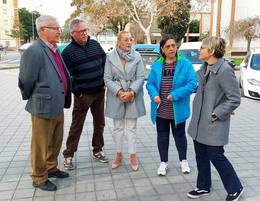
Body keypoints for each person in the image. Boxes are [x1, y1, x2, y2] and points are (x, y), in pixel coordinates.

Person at [18, 15, 71, 191]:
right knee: (40, 144)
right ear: (42, 30)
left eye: (58, 27)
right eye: (55, 28)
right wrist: (35, 97)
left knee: (55, 141)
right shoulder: (34, 50)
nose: (59, 31)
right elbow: (26, 80)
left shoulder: (53, 48)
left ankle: (51, 168)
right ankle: (39, 177)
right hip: (42, 106)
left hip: (57, 104)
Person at [187, 36, 243, 201]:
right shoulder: (205, 67)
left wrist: (216, 113)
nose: (200, 50)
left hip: (213, 123)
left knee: (216, 156)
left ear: (211, 51)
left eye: (202, 48)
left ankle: (235, 187)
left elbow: (234, 98)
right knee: (201, 156)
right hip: (199, 123)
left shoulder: (225, 70)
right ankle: (203, 186)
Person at [146, 34, 197, 176]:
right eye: (167, 46)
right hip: (161, 109)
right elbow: (150, 84)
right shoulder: (157, 65)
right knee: (162, 137)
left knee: (180, 136)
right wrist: (154, 94)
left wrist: (175, 95)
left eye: (173, 45)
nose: (171, 48)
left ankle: (183, 160)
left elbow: (192, 83)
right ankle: (163, 162)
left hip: (178, 110)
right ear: (162, 49)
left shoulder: (185, 64)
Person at [61, 19, 108, 170]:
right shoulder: (68, 52)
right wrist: (78, 92)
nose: (85, 34)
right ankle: (68, 155)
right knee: (77, 126)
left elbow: (104, 61)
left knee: (99, 122)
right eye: (81, 31)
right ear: (73, 33)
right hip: (83, 95)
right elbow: (67, 76)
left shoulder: (94, 44)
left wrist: (105, 82)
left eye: (86, 30)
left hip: (99, 92)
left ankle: (98, 149)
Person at [104, 31, 146, 171]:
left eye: (131, 39)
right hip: (117, 96)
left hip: (132, 95)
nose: (129, 42)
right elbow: (107, 78)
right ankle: (118, 155)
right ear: (119, 42)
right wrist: (119, 92)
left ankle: (133, 156)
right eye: (126, 40)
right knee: (118, 128)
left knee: (131, 129)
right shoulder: (110, 57)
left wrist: (131, 92)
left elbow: (141, 77)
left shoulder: (137, 56)